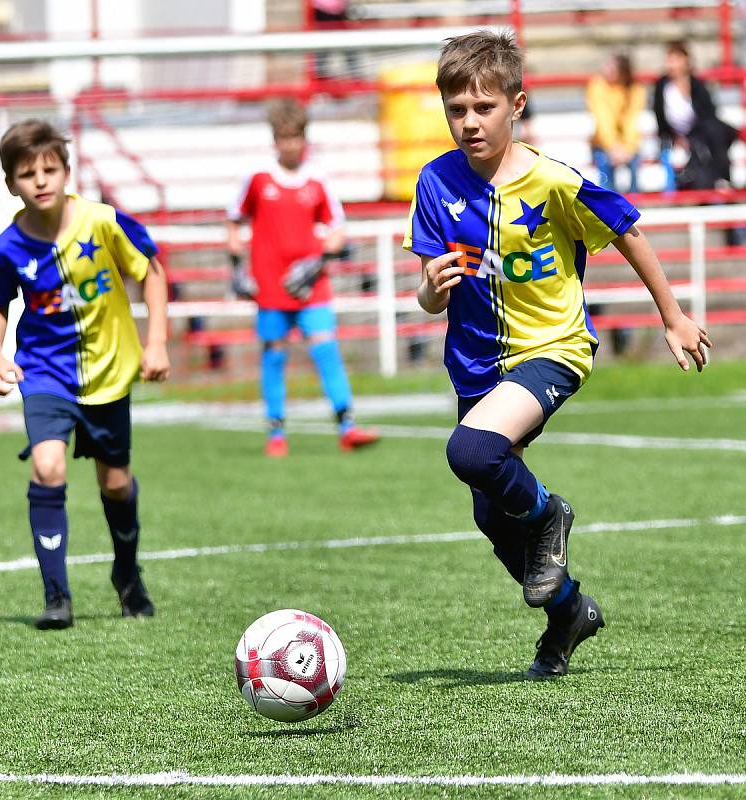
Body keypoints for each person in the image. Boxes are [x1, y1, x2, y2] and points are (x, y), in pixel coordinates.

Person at [405, 31, 711, 679]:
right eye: (456, 109)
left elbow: (627, 226)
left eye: (483, 108)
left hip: (552, 350)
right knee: (491, 516)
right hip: (476, 368)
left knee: (470, 452)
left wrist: (674, 316)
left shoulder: (551, 181)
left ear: (517, 105)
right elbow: (431, 298)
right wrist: (430, 290)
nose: (469, 122)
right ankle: (568, 613)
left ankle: (551, 512)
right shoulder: (434, 183)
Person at [0, 119, 170, 630]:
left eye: (49, 169)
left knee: (115, 482)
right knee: (48, 467)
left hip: (107, 373)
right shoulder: (7, 247)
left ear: (66, 171)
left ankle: (127, 575)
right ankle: (56, 595)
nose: (40, 181)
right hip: (43, 373)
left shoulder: (103, 222)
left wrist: (156, 343)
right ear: (11, 183)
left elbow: (151, 270)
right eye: (27, 174)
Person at [226, 99, 379, 457]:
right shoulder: (259, 179)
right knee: (274, 355)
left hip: (310, 285)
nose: (290, 144)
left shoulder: (317, 180)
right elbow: (234, 222)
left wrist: (318, 260)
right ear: (275, 140)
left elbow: (338, 230)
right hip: (270, 286)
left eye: (296, 137)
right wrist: (236, 270)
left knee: (326, 349)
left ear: (304, 138)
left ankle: (347, 426)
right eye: (284, 137)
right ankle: (276, 433)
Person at [653, 40, 738, 191]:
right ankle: (720, 179)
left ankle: (722, 177)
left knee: (715, 132)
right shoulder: (662, 86)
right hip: (678, 136)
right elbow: (660, 117)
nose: (671, 65)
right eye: (669, 60)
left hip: (700, 133)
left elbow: (708, 113)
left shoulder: (696, 84)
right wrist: (676, 138)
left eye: (675, 60)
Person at [586, 53, 645, 193]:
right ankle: (609, 206)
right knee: (604, 164)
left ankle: (634, 204)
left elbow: (632, 121)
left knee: (635, 162)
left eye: (612, 68)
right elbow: (603, 120)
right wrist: (613, 147)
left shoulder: (635, 90)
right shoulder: (597, 86)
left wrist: (627, 148)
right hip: (603, 144)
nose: (606, 70)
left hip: (627, 146)